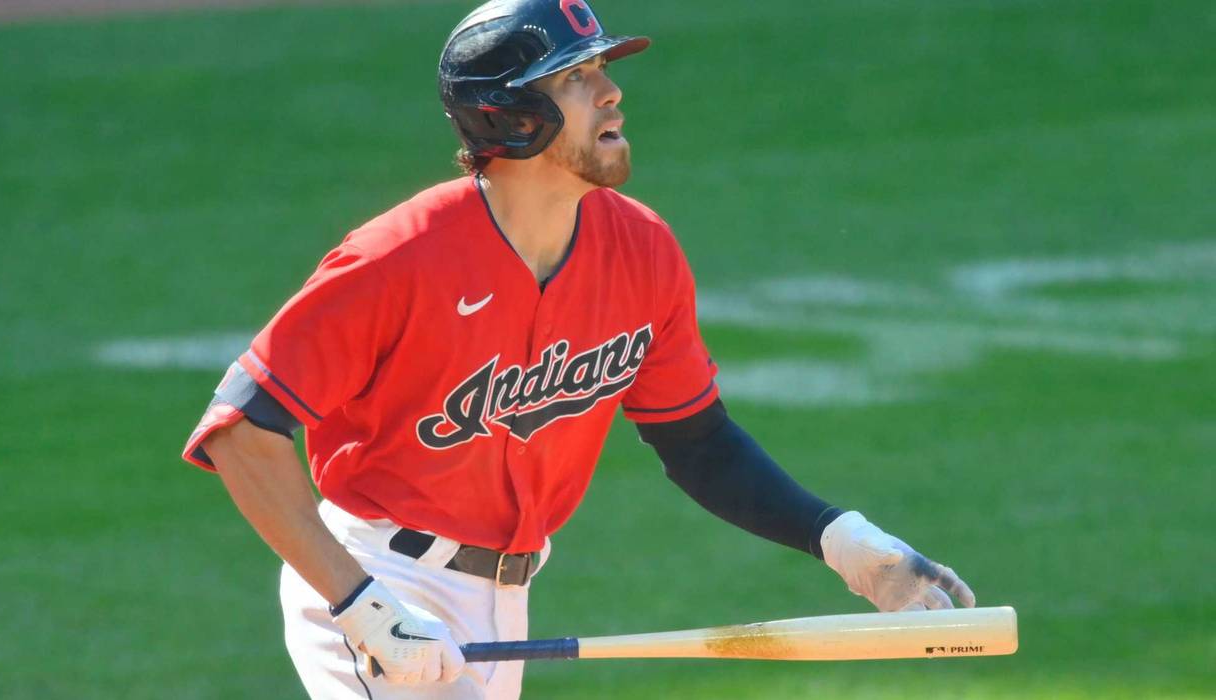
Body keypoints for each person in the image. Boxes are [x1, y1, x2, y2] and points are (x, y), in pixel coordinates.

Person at [181, 1, 976, 698]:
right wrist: (361, 604)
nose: (610, 90)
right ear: (510, 113)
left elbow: (698, 444)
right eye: (575, 76)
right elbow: (241, 430)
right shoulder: (397, 257)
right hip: (378, 582)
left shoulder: (642, 251)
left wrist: (846, 544)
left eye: (601, 68)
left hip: (505, 600)